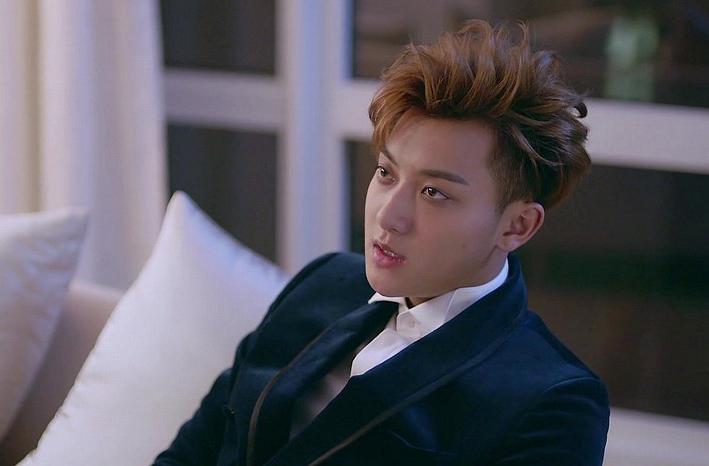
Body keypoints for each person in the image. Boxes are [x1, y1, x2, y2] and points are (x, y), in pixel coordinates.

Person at [153, 19, 609, 466]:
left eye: (434, 192)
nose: (388, 216)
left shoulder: (552, 400)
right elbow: (194, 449)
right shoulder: (322, 283)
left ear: (517, 226)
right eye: (386, 173)